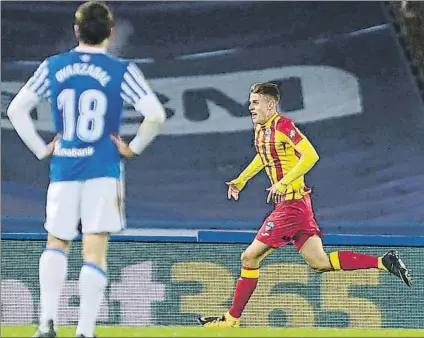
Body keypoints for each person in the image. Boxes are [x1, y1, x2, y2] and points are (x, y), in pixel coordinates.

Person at [7, 2, 166, 337]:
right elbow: (155, 115)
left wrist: (42, 148)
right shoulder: (120, 70)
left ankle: (47, 323)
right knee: (94, 249)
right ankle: (85, 330)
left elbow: (17, 109)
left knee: (56, 242)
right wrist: (132, 148)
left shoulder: (54, 66)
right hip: (103, 169)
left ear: (76, 30)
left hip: (64, 168)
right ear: (110, 31)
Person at [198, 82, 412, 328]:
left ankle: (230, 320)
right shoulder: (261, 129)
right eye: (250, 102)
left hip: (292, 205)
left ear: (271, 104)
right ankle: (383, 262)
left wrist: (283, 183)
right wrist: (242, 179)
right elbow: (265, 156)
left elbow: (310, 154)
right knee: (319, 262)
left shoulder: (284, 126)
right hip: (298, 206)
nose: (250, 107)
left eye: (255, 102)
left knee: (249, 257)